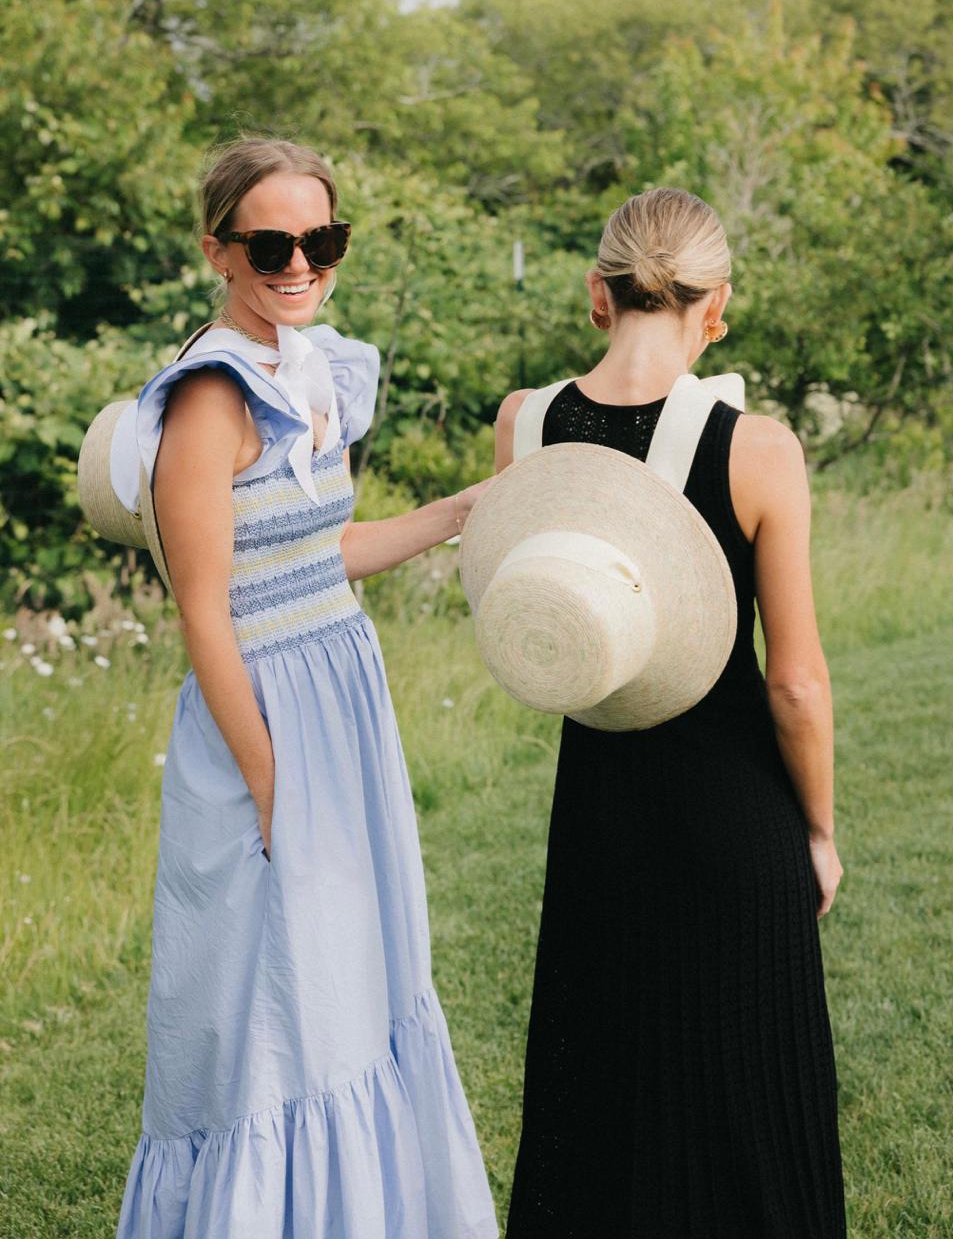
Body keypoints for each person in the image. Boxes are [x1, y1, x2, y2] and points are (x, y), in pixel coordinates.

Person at [113, 139, 498, 1239]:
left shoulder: (315, 365)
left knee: (355, 992)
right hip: (264, 727)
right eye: (270, 243)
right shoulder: (210, 402)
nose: (298, 264)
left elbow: (311, 554)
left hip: (343, 706)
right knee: (272, 1010)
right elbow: (207, 613)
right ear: (217, 250)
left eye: (318, 241)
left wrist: (458, 509)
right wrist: (273, 782)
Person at [496, 188, 847, 1238]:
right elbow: (793, 682)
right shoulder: (758, 449)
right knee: (746, 1101)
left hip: (598, 804)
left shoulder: (525, 424)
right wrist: (818, 830)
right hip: (730, 809)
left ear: (595, 298)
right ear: (718, 308)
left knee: (597, 1093)